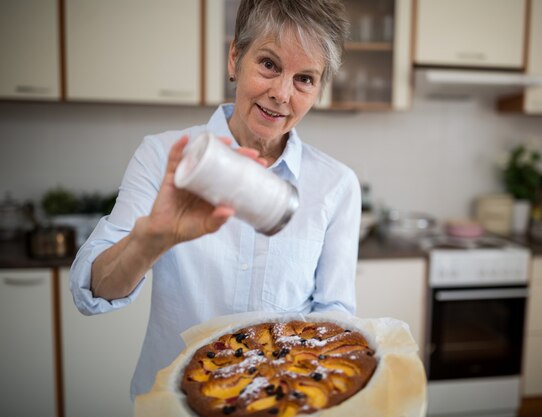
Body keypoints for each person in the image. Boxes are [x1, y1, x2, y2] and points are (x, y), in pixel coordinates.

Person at [69, 0, 360, 401]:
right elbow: (91, 293)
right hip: (172, 404)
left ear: (318, 90)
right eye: (269, 65)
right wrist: (153, 239)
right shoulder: (164, 157)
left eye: (304, 79)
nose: (281, 94)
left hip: (276, 406)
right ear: (235, 58)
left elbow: (334, 315)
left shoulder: (336, 184)